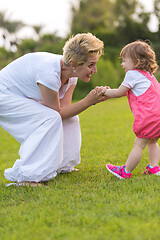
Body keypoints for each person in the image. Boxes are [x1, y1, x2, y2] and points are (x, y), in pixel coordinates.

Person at [0, 33, 107, 186]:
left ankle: (64, 165)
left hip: (17, 94)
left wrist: (89, 101)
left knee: (71, 117)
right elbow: (56, 113)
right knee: (49, 118)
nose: (95, 70)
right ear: (74, 64)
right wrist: (89, 101)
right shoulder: (49, 73)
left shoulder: (72, 75)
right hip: (4, 95)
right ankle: (27, 176)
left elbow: (66, 111)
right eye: (91, 65)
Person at [95, 40, 160, 179]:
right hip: (158, 116)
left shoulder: (133, 74)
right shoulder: (149, 75)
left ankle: (125, 171)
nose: (122, 64)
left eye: (124, 60)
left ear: (136, 62)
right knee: (153, 141)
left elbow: (119, 92)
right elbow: (129, 91)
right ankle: (154, 168)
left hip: (148, 117)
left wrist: (104, 91)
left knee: (139, 144)